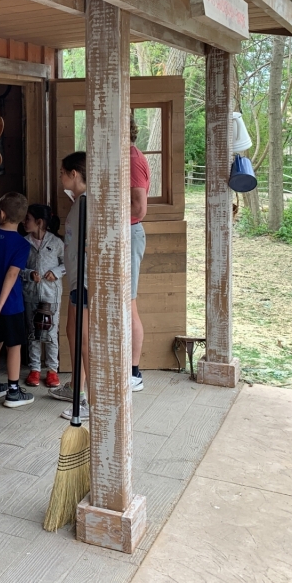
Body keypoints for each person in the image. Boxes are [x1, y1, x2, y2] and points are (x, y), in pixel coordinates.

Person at [49, 151, 89, 420]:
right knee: (73, 331)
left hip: (85, 281)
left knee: (85, 339)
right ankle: (78, 388)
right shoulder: (79, 202)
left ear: (74, 174)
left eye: (63, 172)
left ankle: (93, 403)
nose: (61, 177)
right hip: (77, 280)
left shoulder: (87, 204)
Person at [0, 191, 34, 408]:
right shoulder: (22, 244)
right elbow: (13, 274)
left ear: (1, 213)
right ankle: (13, 391)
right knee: (13, 346)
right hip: (11, 304)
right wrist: (1, 304)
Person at [22, 204, 64, 389]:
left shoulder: (56, 243)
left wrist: (56, 272)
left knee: (51, 332)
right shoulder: (24, 243)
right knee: (33, 332)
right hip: (31, 294)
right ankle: (35, 369)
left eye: (28, 219)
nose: (24, 222)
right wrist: (29, 274)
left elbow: (68, 263)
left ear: (39, 222)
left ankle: (52, 370)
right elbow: (18, 268)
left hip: (51, 295)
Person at [129, 115, 150, 392]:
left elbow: (138, 209)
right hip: (120, 235)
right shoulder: (123, 157)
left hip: (129, 234)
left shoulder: (133, 160)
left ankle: (134, 373)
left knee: (128, 304)